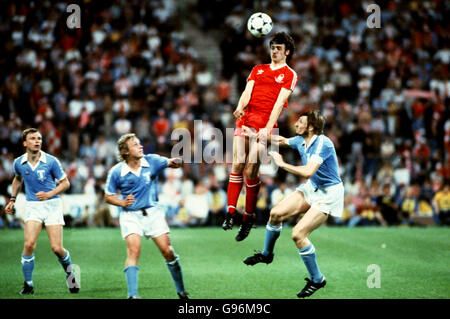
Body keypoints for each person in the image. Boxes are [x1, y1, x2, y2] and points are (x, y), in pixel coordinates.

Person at [242, 110, 344, 298]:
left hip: (329, 193)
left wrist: (282, 164)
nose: (296, 123)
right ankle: (266, 254)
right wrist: (255, 135)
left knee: (298, 234)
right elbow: (281, 141)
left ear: (311, 127)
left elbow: (307, 172)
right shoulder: (301, 140)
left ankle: (317, 279)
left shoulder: (323, 143)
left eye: (300, 121)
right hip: (313, 187)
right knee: (275, 214)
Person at [223, 32, 298, 241]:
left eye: (279, 48)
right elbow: (248, 91)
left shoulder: (289, 74)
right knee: (237, 163)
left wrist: (266, 128)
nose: (274, 51)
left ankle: (248, 217)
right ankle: (230, 213)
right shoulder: (258, 69)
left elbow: (279, 103)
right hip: (246, 119)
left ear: (287, 52)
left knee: (251, 168)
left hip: (265, 124)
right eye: (273, 47)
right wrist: (240, 106)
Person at [104, 133, 189, 299]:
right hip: (130, 216)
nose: (140, 146)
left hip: (153, 214)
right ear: (126, 152)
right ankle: (133, 295)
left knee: (168, 251)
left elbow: (172, 162)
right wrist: (122, 203)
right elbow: (107, 196)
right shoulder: (116, 171)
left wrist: (178, 161)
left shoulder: (152, 160)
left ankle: (181, 291)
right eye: (135, 145)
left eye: (139, 143)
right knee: (133, 251)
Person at [4, 128, 79, 295]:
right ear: (25, 143)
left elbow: (65, 183)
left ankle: (71, 275)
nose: (37, 141)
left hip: (52, 205)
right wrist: (12, 199)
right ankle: (28, 285)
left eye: (39, 138)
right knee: (29, 244)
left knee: (56, 248)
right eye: (32, 138)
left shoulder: (51, 161)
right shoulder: (19, 162)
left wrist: (49, 194)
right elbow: (17, 178)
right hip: (33, 206)